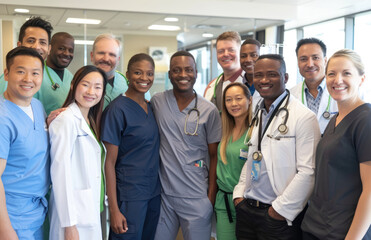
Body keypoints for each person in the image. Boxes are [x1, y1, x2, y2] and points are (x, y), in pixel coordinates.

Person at [233, 54, 321, 239]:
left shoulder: (304, 117)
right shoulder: (259, 111)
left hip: (277, 216)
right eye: (258, 75)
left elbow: (308, 172)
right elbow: (252, 155)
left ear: (285, 78)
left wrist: (278, 211)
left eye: (272, 74)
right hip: (247, 209)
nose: (264, 80)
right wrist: (239, 195)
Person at [302, 49, 371, 240]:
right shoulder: (335, 119)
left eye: (346, 73)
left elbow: (370, 191)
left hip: (343, 232)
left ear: (362, 79)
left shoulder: (365, 120)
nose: (337, 80)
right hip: (316, 226)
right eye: (331, 74)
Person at [152, 51, 221, 240]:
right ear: (169, 74)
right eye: (177, 70)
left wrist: (210, 198)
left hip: (197, 196)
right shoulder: (157, 101)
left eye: (188, 70)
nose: (183, 75)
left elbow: (214, 156)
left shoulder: (209, 110)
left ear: (196, 73)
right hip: (165, 197)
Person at [101, 53, 161, 240]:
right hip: (129, 195)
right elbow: (108, 163)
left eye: (149, 74)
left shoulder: (151, 107)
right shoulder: (117, 110)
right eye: (138, 72)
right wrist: (114, 210)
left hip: (153, 192)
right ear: (127, 74)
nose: (144, 78)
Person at [49, 65, 107, 239]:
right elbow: (60, 172)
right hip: (72, 217)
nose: (91, 91)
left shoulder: (90, 120)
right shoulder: (66, 119)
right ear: (73, 85)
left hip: (88, 209)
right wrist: (69, 225)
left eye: (98, 87)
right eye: (85, 84)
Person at [0, 47, 49, 239]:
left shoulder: (37, 106)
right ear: (6, 74)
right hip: (12, 217)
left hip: (36, 213)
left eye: (35, 73)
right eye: (20, 71)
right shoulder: (3, 119)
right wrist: (5, 231)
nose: (28, 79)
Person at [215, 82, 252, 240]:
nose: (234, 104)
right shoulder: (223, 129)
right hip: (224, 202)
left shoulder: (256, 130)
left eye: (238, 98)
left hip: (248, 202)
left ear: (249, 100)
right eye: (228, 100)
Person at [290, 38, 337, 133]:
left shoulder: (340, 91)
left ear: (325, 61)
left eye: (315, 58)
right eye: (303, 59)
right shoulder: (290, 95)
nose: (310, 64)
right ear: (298, 63)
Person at [91, 33, 150, 109]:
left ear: (118, 60)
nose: (106, 59)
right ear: (92, 56)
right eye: (101, 53)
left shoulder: (135, 84)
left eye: (112, 55)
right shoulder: (81, 84)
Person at [0, 16, 53, 94]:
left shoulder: (37, 104)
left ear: (49, 49)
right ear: (19, 45)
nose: (36, 47)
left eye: (42, 42)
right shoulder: (8, 81)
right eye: (31, 41)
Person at [34, 32, 75, 115]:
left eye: (70, 50)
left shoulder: (71, 77)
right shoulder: (36, 74)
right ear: (49, 49)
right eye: (61, 48)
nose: (67, 53)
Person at [204, 31, 244, 112]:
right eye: (221, 51)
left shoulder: (249, 84)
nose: (226, 54)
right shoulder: (211, 87)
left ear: (240, 52)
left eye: (231, 50)